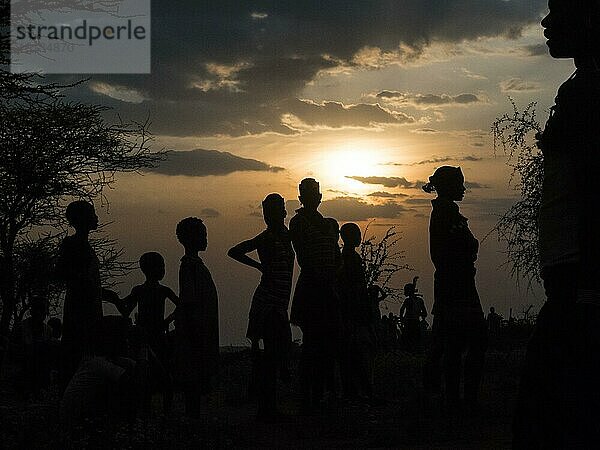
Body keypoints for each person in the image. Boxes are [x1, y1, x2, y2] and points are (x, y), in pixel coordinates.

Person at [513, 1, 600, 447]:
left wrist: (587, 287)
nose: (546, 23)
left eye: (560, 9)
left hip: (581, 285)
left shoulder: (588, 93)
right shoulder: (583, 89)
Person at [422, 166, 487, 410]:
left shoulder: (445, 211)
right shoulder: (446, 212)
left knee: (455, 344)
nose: (463, 188)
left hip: (453, 285)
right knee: (468, 342)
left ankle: (455, 399)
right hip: (457, 287)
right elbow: (465, 246)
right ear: (448, 185)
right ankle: (462, 400)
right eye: (459, 183)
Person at [228, 193, 294, 420]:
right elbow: (234, 251)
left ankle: (268, 406)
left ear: (283, 213)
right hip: (268, 306)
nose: (271, 217)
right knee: (271, 358)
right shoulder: (265, 238)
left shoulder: (287, 236)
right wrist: (259, 266)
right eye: (268, 213)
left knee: (277, 357)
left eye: (276, 211)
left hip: (279, 305)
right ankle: (267, 408)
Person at [289, 178, 341, 413]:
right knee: (312, 345)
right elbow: (305, 257)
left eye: (315, 195)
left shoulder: (329, 224)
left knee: (327, 344)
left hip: (327, 288)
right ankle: (308, 397)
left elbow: (335, 257)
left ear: (319, 198)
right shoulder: (298, 222)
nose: (312, 199)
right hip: (313, 287)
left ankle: (322, 394)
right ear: (302, 199)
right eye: (308, 195)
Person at [109, 251, 179, 413]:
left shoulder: (146, 290)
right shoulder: (159, 291)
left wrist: (167, 321)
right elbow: (181, 306)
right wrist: (167, 321)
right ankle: (155, 413)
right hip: (147, 340)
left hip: (152, 339)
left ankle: (150, 412)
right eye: (160, 266)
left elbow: (125, 309)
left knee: (154, 377)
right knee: (157, 377)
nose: (163, 270)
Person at [55, 201, 107, 392]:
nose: (96, 217)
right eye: (92, 213)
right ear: (82, 219)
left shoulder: (81, 245)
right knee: (78, 354)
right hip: (80, 310)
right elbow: (63, 273)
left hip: (87, 307)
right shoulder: (73, 244)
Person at [59, 316, 141, 431]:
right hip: (77, 427)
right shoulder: (98, 364)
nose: (128, 341)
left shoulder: (97, 361)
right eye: (124, 337)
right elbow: (132, 382)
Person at [175, 217, 219, 417]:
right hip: (196, 330)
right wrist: (194, 331)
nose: (206, 238)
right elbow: (189, 300)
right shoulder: (189, 266)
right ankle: (192, 421)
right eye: (202, 234)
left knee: (197, 376)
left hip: (200, 328)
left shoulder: (193, 265)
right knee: (193, 377)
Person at [337, 222, 375, 400]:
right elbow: (354, 287)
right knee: (356, 355)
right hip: (353, 312)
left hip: (351, 311)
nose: (360, 237)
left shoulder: (346, 257)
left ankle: (355, 391)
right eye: (357, 234)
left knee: (351, 355)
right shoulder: (350, 258)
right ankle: (362, 392)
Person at [9, 296, 55, 396]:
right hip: (23, 371)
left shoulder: (48, 330)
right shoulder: (20, 328)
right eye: (37, 309)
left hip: (40, 373)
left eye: (42, 310)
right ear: (32, 311)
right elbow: (13, 356)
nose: (39, 313)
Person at [399, 280, 427, 352]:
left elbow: (401, 310)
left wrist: (402, 319)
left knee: (407, 342)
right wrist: (418, 313)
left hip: (409, 323)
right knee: (415, 342)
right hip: (415, 323)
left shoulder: (407, 301)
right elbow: (425, 314)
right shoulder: (420, 301)